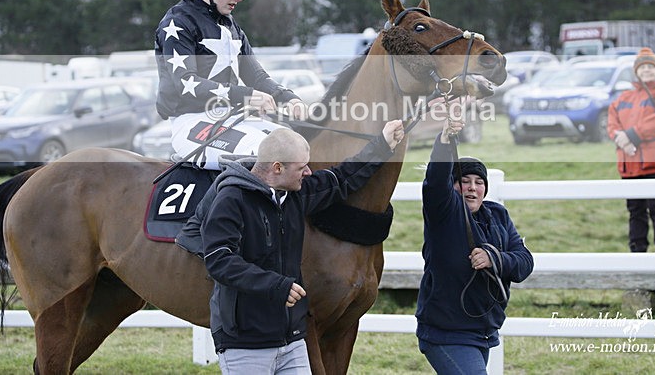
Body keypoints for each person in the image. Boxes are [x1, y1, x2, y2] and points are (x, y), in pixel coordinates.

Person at [201, 119, 405, 375]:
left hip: (292, 340)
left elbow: (341, 178)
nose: (308, 172)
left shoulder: (297, 194)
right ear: (277, 167)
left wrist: (382, 144)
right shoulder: (230, 201)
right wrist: (277, 286)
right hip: (245, 344)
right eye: (301, 167)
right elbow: (220, 261)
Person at [154, 0, 307, 169]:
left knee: (297, 145)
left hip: (232, 118)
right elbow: (186, 83)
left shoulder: (230, 25)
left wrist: (289, 98)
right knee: (264, 156)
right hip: (192, 122)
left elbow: (256, 77)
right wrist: (246, 95)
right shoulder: (177, 23)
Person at [415, 118, 533, 374]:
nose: (472, 187)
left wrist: (494, 258)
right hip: (446, 333)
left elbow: (524, 262)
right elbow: (435, 182)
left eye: (478, 182)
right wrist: (445, 142)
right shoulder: (445, 211)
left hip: (485, 330)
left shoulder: (498, 215)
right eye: (464, 180)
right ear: (453, 186)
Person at [607, 48, 655, 253]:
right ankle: (638, 252)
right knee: (635, 210)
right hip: (630, 164)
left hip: (654, 162)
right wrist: (620, 139)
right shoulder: (624, 98)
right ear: (636, 71)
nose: (647, 71)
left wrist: (632, 135)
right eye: (643, 67)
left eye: (651, 67)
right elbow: (612, 120)